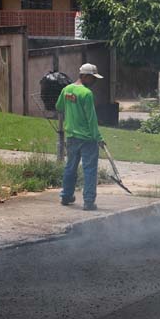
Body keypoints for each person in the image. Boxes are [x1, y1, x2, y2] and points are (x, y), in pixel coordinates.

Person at [56, 63, 104, 211]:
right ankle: (89, 201)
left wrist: (72, 110)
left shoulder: (67, 90)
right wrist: (98, 138)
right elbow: (91, 118)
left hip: (71, 136)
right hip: (88, 139)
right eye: (93, 78)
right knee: (89, 169)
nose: (95, 81)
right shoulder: (87, 94)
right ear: (84, 76)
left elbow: (59, 107)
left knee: (70, 167)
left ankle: (66, 195)